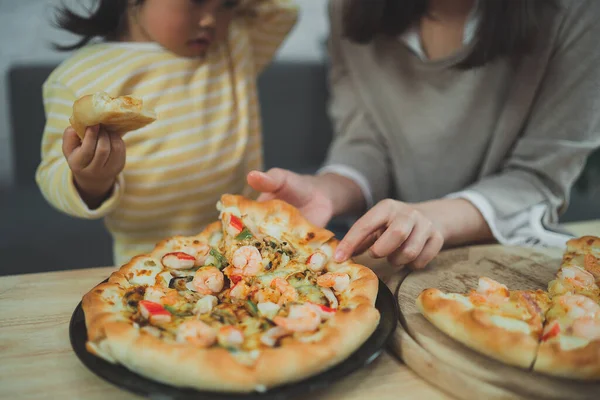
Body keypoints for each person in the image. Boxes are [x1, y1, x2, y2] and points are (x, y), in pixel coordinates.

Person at [247, 0, 600, 270]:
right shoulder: (349, 6)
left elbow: (540, 179)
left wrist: (433, 218)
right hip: (385, 259)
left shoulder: (578, 14)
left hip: (509, 263)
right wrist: (328, 190)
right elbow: (364, 138)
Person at [36, 0, 297, 266]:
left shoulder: (233, 45)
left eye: (226, 5)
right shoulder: (77, 77)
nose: (210, 20)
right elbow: (51, 173)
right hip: (148, 262)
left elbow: (285, 11)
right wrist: (90, 182)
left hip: (246, 247)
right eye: (196, 3)